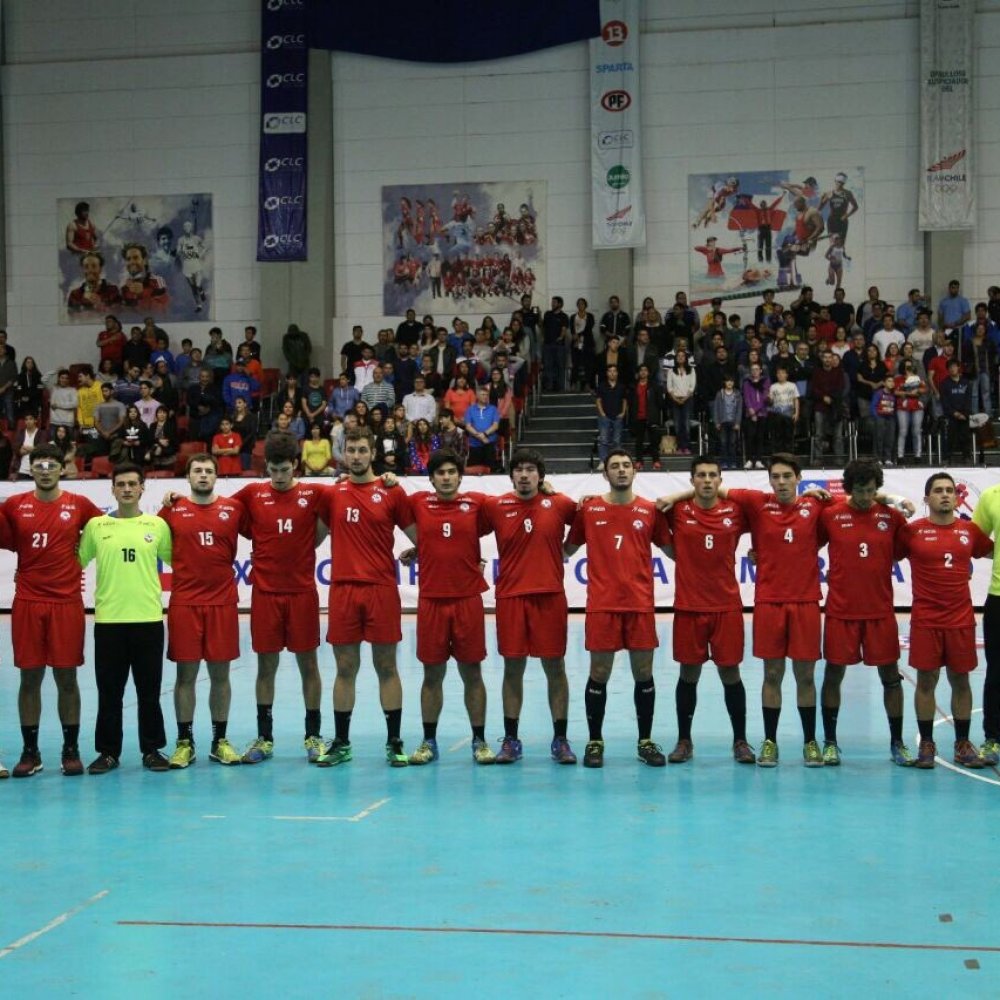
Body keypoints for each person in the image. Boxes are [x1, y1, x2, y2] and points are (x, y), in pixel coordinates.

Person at [314, 427, 417, 768]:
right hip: (343, 589)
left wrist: (417, 550)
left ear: (372, 452)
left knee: (386, 666)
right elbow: (311, 538)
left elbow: (422, 533)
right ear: (343, 453)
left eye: (362, 450)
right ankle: (342, 742)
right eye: (350, 450)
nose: (356, 456)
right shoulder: (333, 494)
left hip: (381, 590)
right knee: (345, 668)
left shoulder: (392, 491)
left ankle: (394, 741)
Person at [563, 450, 673, 768]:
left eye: (626, 465)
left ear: (635, 471)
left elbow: (677, 552)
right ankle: (595, 742)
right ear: (605, 474)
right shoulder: (590, 508)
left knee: (644, 674)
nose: (621, 471)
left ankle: (645, 741)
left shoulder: (651, 510)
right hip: (602, 605)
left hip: (639, 605)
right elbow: (566, 550)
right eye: (615, 467)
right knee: (599, 673)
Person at [718, 455, 830, 766]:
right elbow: (712, 488)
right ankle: (770, 742)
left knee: (805, 677)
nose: (780, 482)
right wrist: (673, 496)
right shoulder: (756, 503)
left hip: (806, 601)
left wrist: (892, 497)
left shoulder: (815, 505)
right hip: (769, 601)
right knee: (772, 674)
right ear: (768, 480)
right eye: (775, 476)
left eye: (786, 476)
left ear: (798, 478)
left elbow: (856, 497)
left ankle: (810, 742)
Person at [0, 445, 103, 777]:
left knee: (67, 678)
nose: (45, 470)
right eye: (39, 465)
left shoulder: (80, 505)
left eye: (52, 465)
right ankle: (31, 752)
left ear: (63, 468)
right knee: (29, 678)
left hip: (66, 603)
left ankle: (70, 749)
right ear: (32, 470)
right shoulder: (14, 506)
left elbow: (107, 533)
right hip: (28, 602)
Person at [232, 432, 329, 764]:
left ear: (296, 466)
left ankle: (313, 735)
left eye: (284, 469)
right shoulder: (252, 493)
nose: (278, 476)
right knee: (266, 667)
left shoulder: (313, 494)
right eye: (273, 469)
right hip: (266, 594)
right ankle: (265, 737)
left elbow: (340, 509)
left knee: (309, 665)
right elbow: (220, 509)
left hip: (302, 593)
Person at [480, 448, 578, 764]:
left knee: (555, 667)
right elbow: (458, 529)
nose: (524, 475)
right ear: (511, 476)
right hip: (511, 598)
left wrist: (566, 550)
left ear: (540, 475)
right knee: (513, 668)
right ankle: (511, 739)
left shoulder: (560, 504)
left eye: (530, 470)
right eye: (519, 470)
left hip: (550, 596)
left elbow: (589, 521)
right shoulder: (496, 506)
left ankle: (560, 739)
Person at [398, 449, 496, 765]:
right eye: (440, 473)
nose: (447, 477)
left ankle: (479, 741)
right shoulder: (418, 504)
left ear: (459, 476)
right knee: (432, 675)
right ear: (431, 478)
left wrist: (545, 488)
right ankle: (428, 742)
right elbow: (391, 500)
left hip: (468, 600)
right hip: (432, 602)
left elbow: (517, 504)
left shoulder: (478, 503)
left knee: (473, 673)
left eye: (452, 472)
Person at [655, 456, 753, 764]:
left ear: (721, 481)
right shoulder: (678, 511)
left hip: (726, 607)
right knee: (688, 674)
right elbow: (658, 528)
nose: (707, 480)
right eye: (701, 475)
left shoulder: (736, 511)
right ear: (692, 480)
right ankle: (684, 741)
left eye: (713, 475)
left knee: (730, 673)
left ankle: (740, 741)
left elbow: (769, 517)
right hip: (689, 606)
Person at [78, 462, 173, 773]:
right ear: (113, 489)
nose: (128, 489)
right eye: (122, 484)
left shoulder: (157, 526)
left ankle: (152, 750)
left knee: (149, 693)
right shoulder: (96, 527)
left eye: (133, 483)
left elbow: (179, 560)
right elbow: (75, 561)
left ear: (142, 487)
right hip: (108, 623)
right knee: (110, 694)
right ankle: (108, 752)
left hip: (148, 621)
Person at [819, 459, 915, 766]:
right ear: (849, 489)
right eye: (859, 491)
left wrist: (893, 500)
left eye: (871, 491)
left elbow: (907, 551)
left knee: (891, 677)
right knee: (834, 675)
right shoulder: (831, 515)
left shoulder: (891, 517)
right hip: (841, 611)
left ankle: (897, 743)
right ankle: (831, 743)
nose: (865, 497)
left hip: (880, 611)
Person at [157, 455, 244, 767]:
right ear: (188, 476)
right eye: (198, 471)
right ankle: (185, 741)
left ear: (217, 476)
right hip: (185, 603)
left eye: (209, 471)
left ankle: (219, 740)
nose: (203, 475)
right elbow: (150, 544)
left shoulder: (233, 509)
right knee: (186, 676)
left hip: (222, 603)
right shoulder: (171, 509)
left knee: (220, 676)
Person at [900, 473, 992, 769]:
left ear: (956, 497)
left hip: (961, 620)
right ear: (926, 499)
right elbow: (882, 554)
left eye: (950, 491)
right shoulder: (912, 532)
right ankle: (927, 744)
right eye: (938, 491)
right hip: (926, 620)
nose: (945, 495)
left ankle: (962, 743)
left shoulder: (970, 531)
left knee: (960, 680)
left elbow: (992, 552)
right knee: (926, 680)